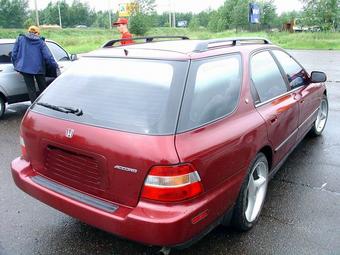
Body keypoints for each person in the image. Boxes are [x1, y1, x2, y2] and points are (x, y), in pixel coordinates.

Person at [11, 26, 58, 103]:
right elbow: (48, 57)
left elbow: (13, 54)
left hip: (25, 69)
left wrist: (16, 66)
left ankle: (33, 107)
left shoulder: (20, 39)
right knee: (43, 88)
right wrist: (54, 66)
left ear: (28, 31)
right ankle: (45, 104)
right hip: (39, 69)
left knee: (31, 90)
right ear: (37, 33)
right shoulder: (40, 42)